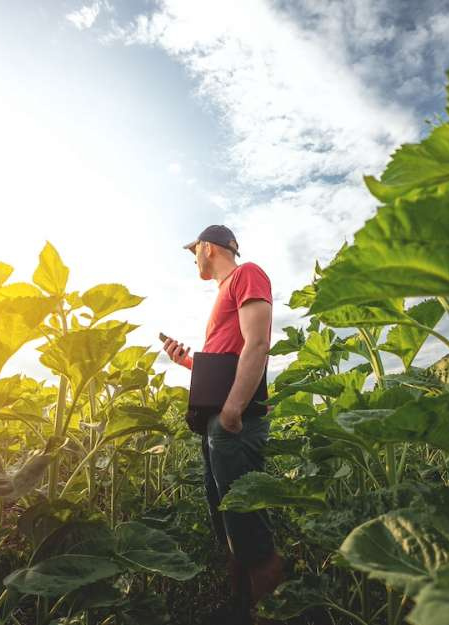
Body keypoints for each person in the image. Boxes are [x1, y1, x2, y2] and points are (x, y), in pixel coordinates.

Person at [164, 224, 285, 624]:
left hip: (235, 421)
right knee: (229, 522)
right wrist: (186, 360)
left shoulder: (246, 274)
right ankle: (241, 611)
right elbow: (225, 360)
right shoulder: (223, 293)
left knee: (248, 525)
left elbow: (259, 343)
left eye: (193, 251)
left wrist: (233, 409)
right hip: (218, 420)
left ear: (209, 247)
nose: (193, 259)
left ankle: (272, 614)